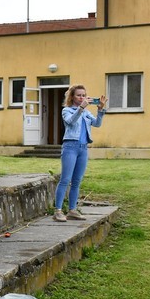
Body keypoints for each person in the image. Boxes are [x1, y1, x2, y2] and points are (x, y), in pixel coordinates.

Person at [54, 85, 107, 222]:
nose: (82, 97)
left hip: (83, 148)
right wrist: (81, 108)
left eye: (84, 95)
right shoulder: (67, 110)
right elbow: (70, 122)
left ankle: (72, 210)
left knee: (76, 181)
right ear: (72, 97)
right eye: (78, 95)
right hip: (70, 147)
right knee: (65, 179)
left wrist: (100, 110)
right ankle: (58, 211)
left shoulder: (86, 112)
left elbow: (97, 124)